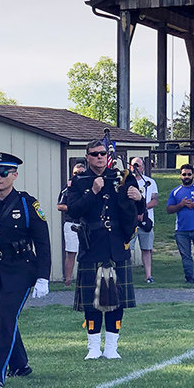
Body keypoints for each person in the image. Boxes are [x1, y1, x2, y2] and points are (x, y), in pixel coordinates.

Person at [0, 152, 50, 388]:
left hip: (19, 270)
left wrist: (43, 277)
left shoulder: (27, 204)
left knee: (6, 321)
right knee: (0, 317)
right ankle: (20, 364)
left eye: (3, 173)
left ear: (14, 175)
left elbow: (42, 242)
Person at [66, 140, 144, 360]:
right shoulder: (79, 181)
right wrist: (93, 191)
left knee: (116, 299)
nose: (99, 157)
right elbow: (73, 210)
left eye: (102, 153)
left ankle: (111, 346)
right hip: (92, 244)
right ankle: (93, 346)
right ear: (87, 157)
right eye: (95, 154)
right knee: (91, 300)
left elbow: (136, 210)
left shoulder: (121, 178)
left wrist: (140, 198)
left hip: (116, 244)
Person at [129, 157, 158, 283]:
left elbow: (154, 201)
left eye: (138, 165)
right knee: (126, 248)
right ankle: (126, 275)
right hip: (130, 222)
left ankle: (148, 276)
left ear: (143, 167)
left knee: (146, 249)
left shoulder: (150, 182)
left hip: (146, 221)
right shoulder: (127, 182)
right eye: (133, 165)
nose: (135, 168)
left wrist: (142, 209)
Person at [57, 163, 86, 286]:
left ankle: (86, 278)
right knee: (71, 252)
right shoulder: (67, 188)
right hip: (71, 223)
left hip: (86, 224)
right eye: (76, 173)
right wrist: (73, 208)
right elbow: (60, 205)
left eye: (81, 173)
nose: (78, 175)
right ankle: (68, 280)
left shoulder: (90, 187)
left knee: (87, 253)